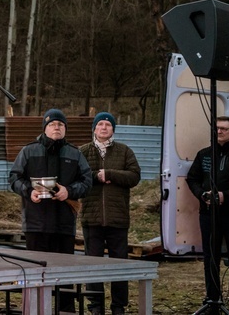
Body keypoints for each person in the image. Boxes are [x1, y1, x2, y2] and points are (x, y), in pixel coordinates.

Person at [9, 108, 92, 313]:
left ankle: (65, 311)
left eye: (61, 124)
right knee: (35, 271)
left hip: (64, 225)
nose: (57, 127)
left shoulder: (75, 153)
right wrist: (29, 192)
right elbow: (13, 178)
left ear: (65, 129)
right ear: (45, 128)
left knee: (64, 274)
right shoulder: (28, 151)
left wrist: (69, 191)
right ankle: (34, 310)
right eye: (53, 124)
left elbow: (87, 181)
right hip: (35, 224)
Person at [185, 116, 229, 315]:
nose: (220, 132)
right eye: (216, 129)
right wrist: (201, 194)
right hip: (208, 214)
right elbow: (192, 178)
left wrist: (226, 196)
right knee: (210, 258)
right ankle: (212, 300)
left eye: (224, 129)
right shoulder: (204, 154)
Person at [79, 112, 141, 315]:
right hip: (92, 217)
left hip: (118, 217)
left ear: (113, 129)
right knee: (93, 263)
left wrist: (110, 174)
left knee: (119, 264)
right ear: (94, 128)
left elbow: (134, 176)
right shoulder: (83, 152)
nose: (104, 127)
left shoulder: (124, 151)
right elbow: (77, 177)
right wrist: (97, 176)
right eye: (100, 124)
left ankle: (118, 307)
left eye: (108, 124)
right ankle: (96, 306)